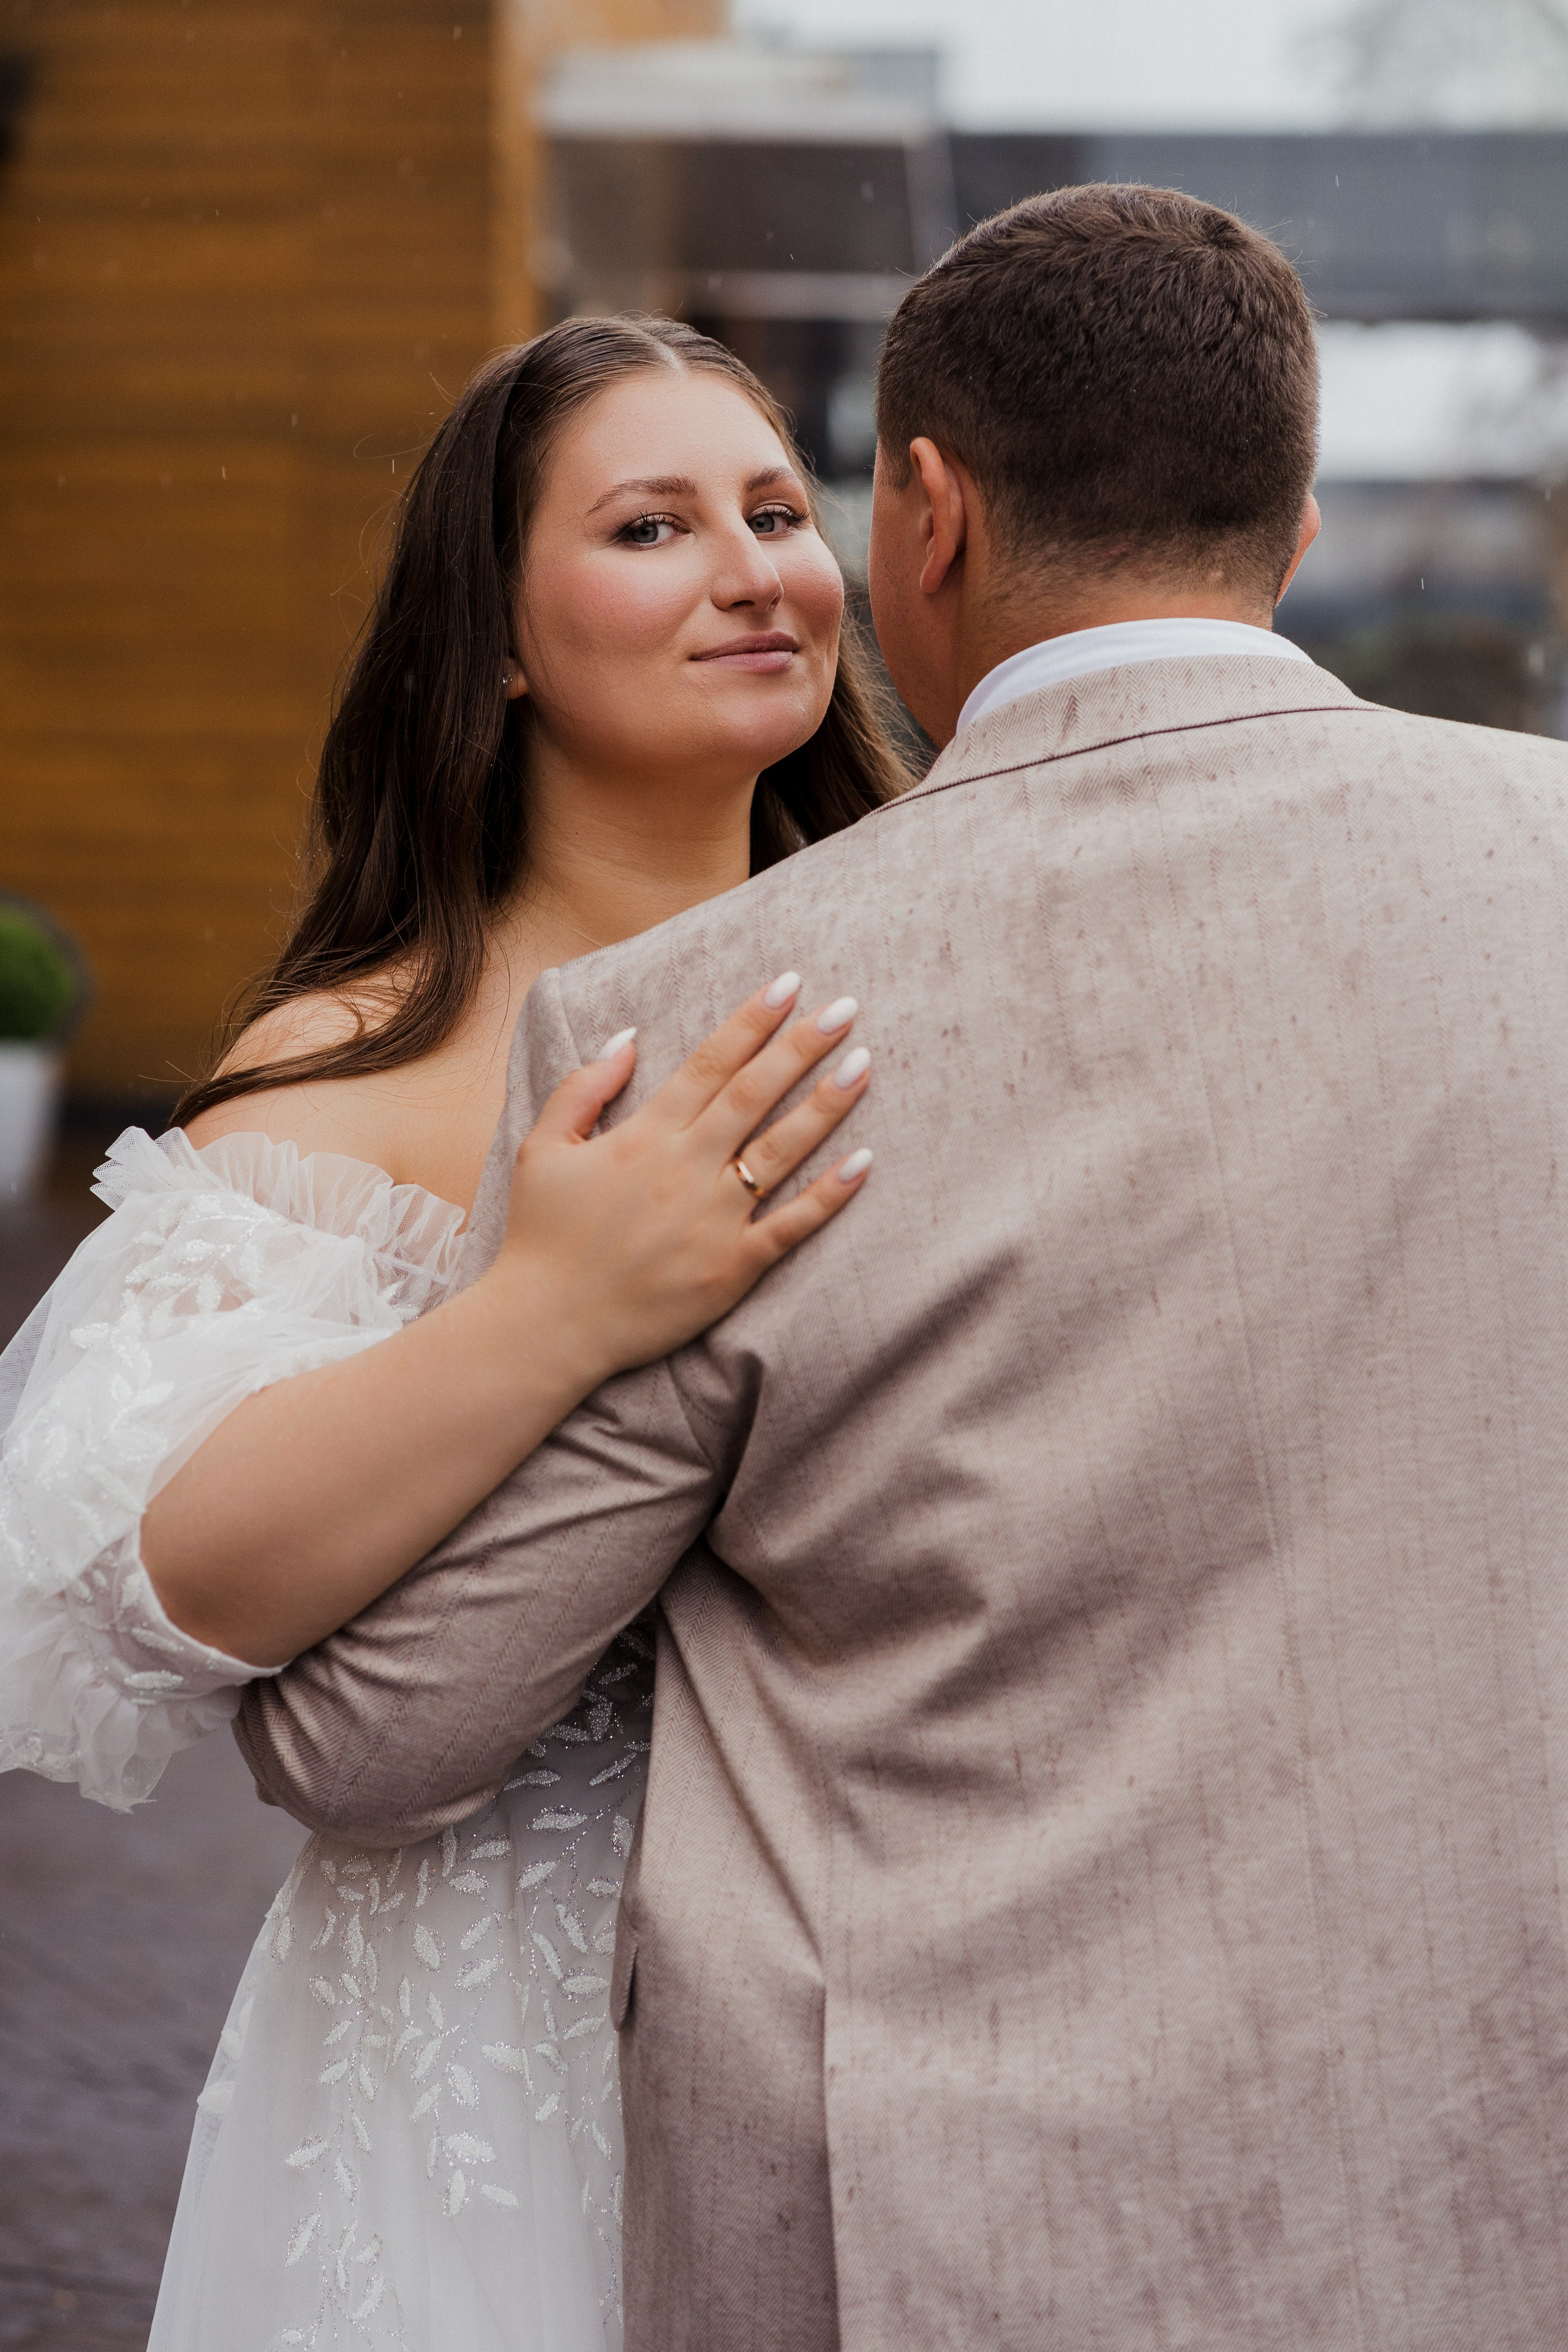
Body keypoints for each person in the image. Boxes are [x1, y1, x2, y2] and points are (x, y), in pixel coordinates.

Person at [241, 180, 1568, 2352]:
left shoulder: (724, 1025)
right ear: (1299, 522)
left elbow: (375, 1735)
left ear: (926, 516)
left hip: (946, 2230)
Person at [0, 315, 906, 2348]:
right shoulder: (353, 1070)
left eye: (775, 510)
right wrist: (555, 1307)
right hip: (478, 2042)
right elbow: (174, 1586)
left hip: (881, 2016)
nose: (751, 567)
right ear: (494, 638)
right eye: (652, 526)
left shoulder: (927, 974)